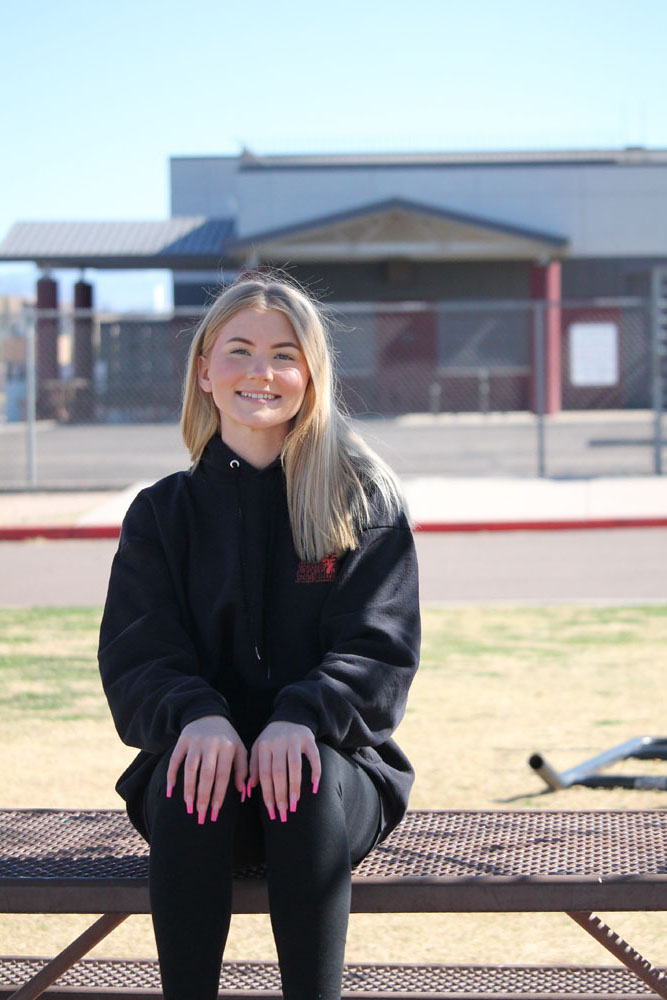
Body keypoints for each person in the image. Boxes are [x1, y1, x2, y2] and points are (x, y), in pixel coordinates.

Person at [98, 275, 421, 1000]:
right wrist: (198, 714)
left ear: (308, 375)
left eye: (283, 355)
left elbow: (379, 654)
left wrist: (299, 716)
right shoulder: (162, 514)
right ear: (205, 371)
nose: (260, 372)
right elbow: (136, 656)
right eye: (238, 351)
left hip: (332, 785)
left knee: (300, 780)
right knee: (188, 778)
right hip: (202, 792)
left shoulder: (359, 502)